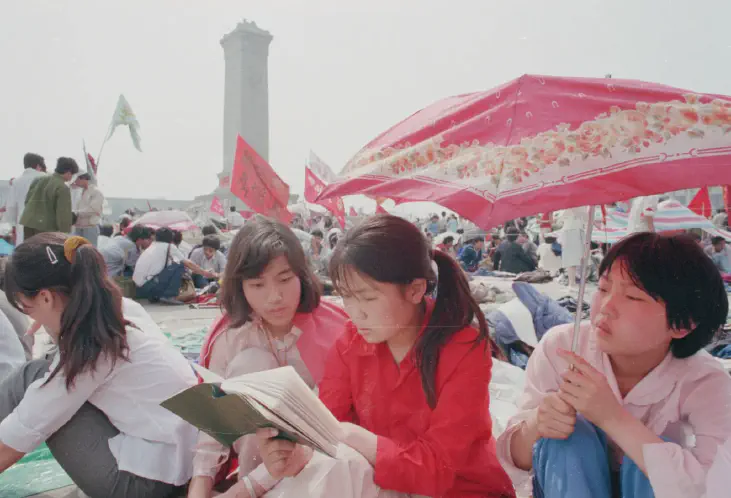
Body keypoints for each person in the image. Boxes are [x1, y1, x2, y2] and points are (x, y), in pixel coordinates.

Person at [253, 214, 516, 497]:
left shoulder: (463, 347)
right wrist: (295, 454)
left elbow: (442, 467)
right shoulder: (351, 343)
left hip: (461, 488)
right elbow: (326, 428)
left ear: (415, 290)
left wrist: (354, 438)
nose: (355, 312)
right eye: (347, 296)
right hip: (386, 482)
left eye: (367, 297)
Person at [497, 233, 731, 498]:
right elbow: (513, 460)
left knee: (655, 457)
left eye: (632, 297)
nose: (605, 308)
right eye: (604, 288)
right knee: (566, 439)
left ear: (683, 324)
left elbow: (715, 486)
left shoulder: (704, 381)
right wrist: (537, 424)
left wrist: (613, 418)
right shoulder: (562, 348)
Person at [0, 233, 198, 497]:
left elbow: (25, 427)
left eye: (27, 308)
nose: (31, 318)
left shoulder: (91, 348)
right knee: (39, 376)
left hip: (146, 484)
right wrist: (53, 322)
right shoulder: (118, 310)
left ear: (46, 298)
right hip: (177, 462)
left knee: (34, 380)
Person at [187, 215, 348, 498]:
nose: (274, 297)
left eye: (284, 279)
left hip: (322, 462)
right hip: (257, 468)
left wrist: (241, 492)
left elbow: (334, 428)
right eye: (258, 285)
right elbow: (214, 426)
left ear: (302, 275)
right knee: (252, 364)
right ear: (241, 287)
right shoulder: (231, 336)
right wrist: (199, 488)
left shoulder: (335, 331)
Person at [133, 227, 214, 303]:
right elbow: (188, 263)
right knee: (179, 266)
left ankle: (158, 295)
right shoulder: (169, 246)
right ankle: (169, 296)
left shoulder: (152, 246)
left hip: (139, 289)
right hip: (148, 286)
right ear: (170, 239)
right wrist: (205, 273)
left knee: (173, 266)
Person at [20, 157, 79, 239]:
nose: (71, 177)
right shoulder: (62, 187)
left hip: (28, 222)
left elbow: (27, 201)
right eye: (72, 174)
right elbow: (63, 213)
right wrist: (64, 233)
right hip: (45, 227)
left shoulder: (39, 179)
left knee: (28, 250)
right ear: (68, 172)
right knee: (43, 251)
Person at [2, 153, 46, 245]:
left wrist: (13, 226)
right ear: (38, 165)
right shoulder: (47, 178)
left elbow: (11, 207)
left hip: (22, 224)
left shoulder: (17, 182)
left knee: (24, 251)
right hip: (44, 224)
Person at [559, 206, 590, 289]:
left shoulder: (583, 206)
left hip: (578, 231)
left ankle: (574, 282)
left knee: (579, 258)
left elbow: (586, 218)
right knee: (571, 259)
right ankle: (571, 283)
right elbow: (561, 219)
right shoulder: (568, 206)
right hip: (570, 231)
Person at [73, 173, 105, 247]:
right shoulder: (80, 192)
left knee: (90, 253)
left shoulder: (96, 192)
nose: (75, 182)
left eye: (76, 179)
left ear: (84, 178)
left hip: (89, 228)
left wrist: (75, 213)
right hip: (79, 228)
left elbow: (92, 210)